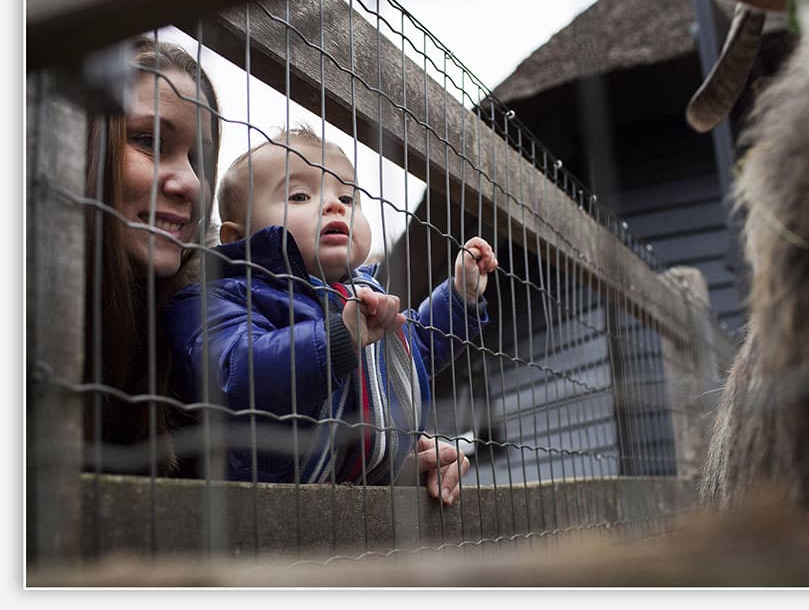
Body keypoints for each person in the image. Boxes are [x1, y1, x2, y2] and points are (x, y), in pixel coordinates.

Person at [163, 125, 498, 505]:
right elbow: (236, 373)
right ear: (236, 238)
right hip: (264, 504)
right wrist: (338, 338)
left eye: (348, 197)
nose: (335, 205)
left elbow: (411, 352)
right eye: (300, 195)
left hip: (365, 502)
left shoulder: (364, 295)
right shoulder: (217, 299)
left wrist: (459, 299)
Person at [83, 36, 221, 475]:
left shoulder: (212, 330)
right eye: (149, 140)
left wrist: (389, 457)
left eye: (198, 158)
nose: (192, 183)